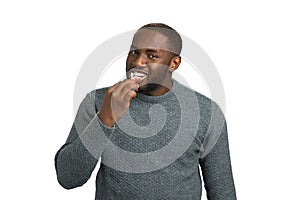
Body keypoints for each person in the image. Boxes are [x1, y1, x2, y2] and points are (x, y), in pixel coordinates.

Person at [54, 23, 237, 200]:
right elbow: (68, 178)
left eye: (152, 55)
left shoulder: (207, 112)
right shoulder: (98, 101)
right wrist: (105, 118)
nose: (138, 62)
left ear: (174, 63)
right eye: (134, 52)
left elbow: (222, 191)